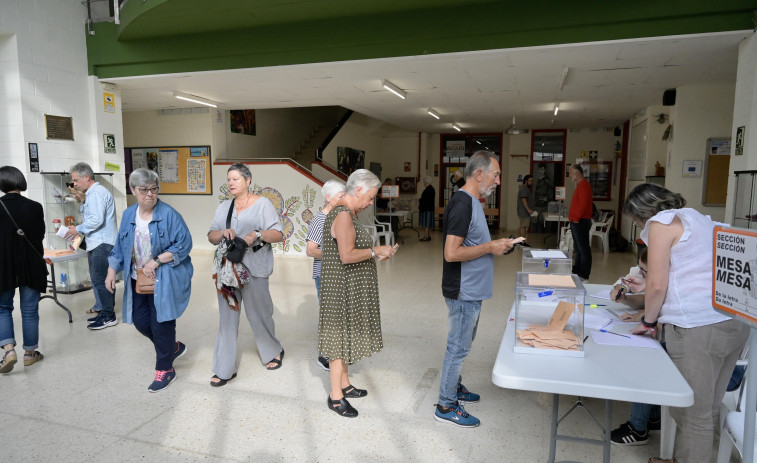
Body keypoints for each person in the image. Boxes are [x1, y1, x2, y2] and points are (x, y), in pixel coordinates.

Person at [623, 183, 749, 463]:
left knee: (693, 415)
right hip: (729, 322)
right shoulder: (698, 218)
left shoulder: (660, 223)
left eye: (635, 220)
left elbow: (657, 287)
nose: (638, 226)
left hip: (698, 329)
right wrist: (647, 283)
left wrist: (648, 321)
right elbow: (688, 270)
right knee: (708, 408)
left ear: (643, 212)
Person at [435, 151, 521, 428]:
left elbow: (473, 244)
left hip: (473, 290)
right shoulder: (463, 204)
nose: (498, 181)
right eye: (495, 174)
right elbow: (451, 253)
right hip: (464, 291)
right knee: (458, 348)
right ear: (480, 174)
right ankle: (446, 405)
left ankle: (454, 387)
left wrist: (498, 246)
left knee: (464, 343)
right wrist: (490, 247)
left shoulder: (473, 202)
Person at [105, 168, 193, 392]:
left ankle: (165, 369)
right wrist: (112, 270)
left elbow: (184, 244)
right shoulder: (128, 215)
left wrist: (157, 260)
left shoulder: (169, 215)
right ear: (133, 190)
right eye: (144, 190)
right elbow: (119, 246)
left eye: (154, 189)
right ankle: (171, 347)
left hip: (164, 279)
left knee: (161, 323)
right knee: (141, 321)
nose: (150, 194)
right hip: (138, 279)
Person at [319, 169, 397, 418]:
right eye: (371, 197)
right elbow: (346, 255)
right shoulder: (342, 215)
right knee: (338, 340)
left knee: (344, 335)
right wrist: (375, 251)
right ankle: (335, 396)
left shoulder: (345, 212)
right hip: (340, 288)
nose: (371, 203)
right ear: (359, 190)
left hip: (345, 286)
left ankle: (345, 384)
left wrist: (378, 252)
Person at [208, 163, 285, 387]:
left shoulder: (262, 205)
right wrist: (222, 232)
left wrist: (257, 233)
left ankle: (272, 350)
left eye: (236, 179)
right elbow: (211, 235)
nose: (231, 183)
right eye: (229, 179)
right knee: (227, 318)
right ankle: (224, 368)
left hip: (255, 266)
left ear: (248, 180)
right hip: (228, 269)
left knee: (259, 312)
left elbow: (278, 234)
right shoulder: (224, 207)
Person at [0, 166, 47, 373]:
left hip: (3, 265)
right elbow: (40, 235)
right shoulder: (35, 207)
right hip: (30, 263)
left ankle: (9, 350)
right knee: (29, 310)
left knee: (3, 309)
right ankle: (30, 354)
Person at [65, 162, 118, 330]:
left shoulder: (97, 193)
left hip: (102, 243)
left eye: (75, 180)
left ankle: (109, 315)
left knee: (100, 280)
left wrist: (77, 229)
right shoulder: (93, 193)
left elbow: (96, 220)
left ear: (86, 177)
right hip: (98, 242)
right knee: (102, 279)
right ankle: (105, 312)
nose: (74, 184)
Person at [305, 179, 346, 371]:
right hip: (325, 274)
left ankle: (338, 352)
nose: (343, 199)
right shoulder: (319, 219)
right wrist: (335, 253)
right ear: (328, 198)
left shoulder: (339, 217)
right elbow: (311, 250)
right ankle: (324, 356)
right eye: (340, 196)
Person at [568, 164, 592, 280]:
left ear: (577, 172)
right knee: (578, 248)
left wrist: (576, 219)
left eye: (570, 173)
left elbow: (582, 204)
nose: (569, 176)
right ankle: (577, 270)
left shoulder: (584, 185)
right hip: (576, 221)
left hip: (580, 221)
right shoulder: (580, 185)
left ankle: (584, 274)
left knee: (583, 249)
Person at [418, 176, 435, 241]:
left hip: (427, 209)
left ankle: (426, 237)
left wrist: (420, 199)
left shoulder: (427, 189)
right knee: (429, 224)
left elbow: (425, 199)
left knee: (426, 224)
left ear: (425, 182)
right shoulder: (432, 188)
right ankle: (429, 235)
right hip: (430, 208)